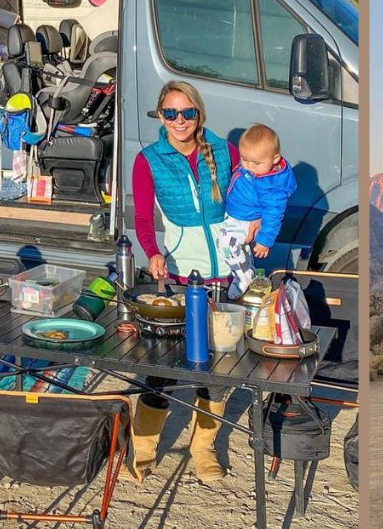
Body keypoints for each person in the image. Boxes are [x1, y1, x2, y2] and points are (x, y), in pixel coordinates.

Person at [128, 80, 253, 485]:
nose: (179, 121)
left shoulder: (225, 150)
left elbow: (252, 192)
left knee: (217, 371)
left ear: (199, 114)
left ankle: (202, 448)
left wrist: (256, 226)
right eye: (170, 113)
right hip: (183, 280)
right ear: (159, 115)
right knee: (162, 368)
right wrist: (152, 252)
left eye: (187, 113)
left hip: (228, 280)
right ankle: (143, 447)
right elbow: (144, 219)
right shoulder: (148, 160)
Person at [220, 123, 296, 298]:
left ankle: (242, 275)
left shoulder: (272, 187)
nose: (248, 166)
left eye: (255, 162)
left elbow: (274, 215)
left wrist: (264, 241)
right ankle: (248, 270)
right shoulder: (259, 170)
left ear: (275, 159)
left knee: (225, 242)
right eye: (244, 159)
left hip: (247, 219)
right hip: (239, 214)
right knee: (240, 249)